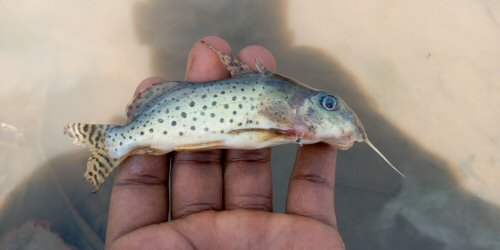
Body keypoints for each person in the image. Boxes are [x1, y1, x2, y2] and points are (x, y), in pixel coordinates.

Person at [105, 36, 345, 250]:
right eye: (327, 104)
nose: (327, 109)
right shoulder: (283, 108)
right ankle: (114, 143)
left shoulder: (286, 116)